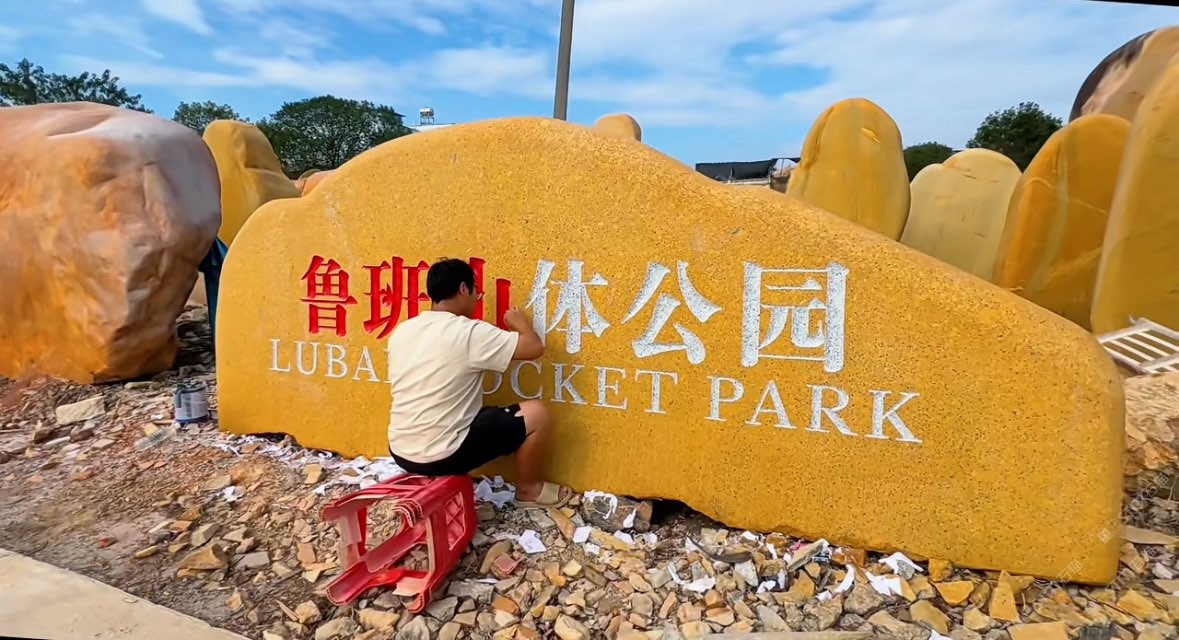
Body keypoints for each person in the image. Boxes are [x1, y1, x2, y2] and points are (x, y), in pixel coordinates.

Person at [385, 258, 572, 507]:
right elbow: (533, 348)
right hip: (443, 455)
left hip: (400, 451)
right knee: (537, 414)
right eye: (477, 291)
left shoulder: (403, 331)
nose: (477, 299)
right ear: (463, 288)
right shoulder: (468, 332)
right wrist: (521, 325)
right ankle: (529, 490)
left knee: (478, 413)